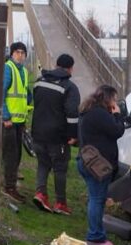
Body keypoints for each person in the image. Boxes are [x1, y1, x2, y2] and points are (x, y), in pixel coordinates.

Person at [31, 54, 80, 215]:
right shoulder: (69, 87)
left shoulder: (39, 82)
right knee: (60, 168)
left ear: (56, 65)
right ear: (70, 68)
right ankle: (60, 203)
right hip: (57, 136)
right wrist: (73, 135)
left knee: (43, 164)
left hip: (37, 132)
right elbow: (72, 114)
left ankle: (41, 194)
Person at [77, 85, 125, 245]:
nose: (115, 102)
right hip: (97, 165)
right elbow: (117, 131)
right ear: (108, 98)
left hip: (87, 161)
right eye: (114, 99)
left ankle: (96, 232)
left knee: (95, 198)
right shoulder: (99, 114)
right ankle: (95, 237)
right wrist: (118, 115)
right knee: (97, 200)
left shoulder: (88, 111)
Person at [1, 41, 33, 203]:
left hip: (19, 120)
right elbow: (1, 93)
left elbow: (25, 94)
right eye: (17, 52)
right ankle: (9, 187)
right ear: (12, 54)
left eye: (23, 53)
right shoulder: (8, 68)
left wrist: (27, 111)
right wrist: (5, 117)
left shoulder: (24, 72)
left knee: (17, 154)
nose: (20, 55)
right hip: (10, 121)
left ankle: (11, 184)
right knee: (10, 155)